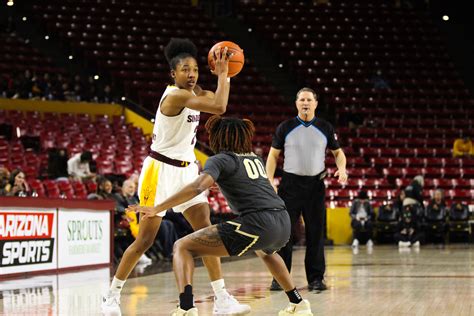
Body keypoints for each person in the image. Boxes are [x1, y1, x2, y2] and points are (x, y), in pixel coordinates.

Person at [101, 38, 250, 315]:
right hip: (159, 170)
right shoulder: (175, 96)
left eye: (194, 69)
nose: (191, 74)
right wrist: (224, 74)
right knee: (145, 239)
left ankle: (222, 298)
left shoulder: (194, 91)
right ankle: (111, 296)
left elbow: (212, 100)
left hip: (186, 169)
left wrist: (222, 76)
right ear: (173, 73)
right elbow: (219, 106)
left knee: (205, 232)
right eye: (184, 70)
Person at [128, 116, 314, 316]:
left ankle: (186, 308)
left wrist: (158, 207)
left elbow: (199, 186)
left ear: (220, 138)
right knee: (265, 251)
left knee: (181, 247)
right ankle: (297, 302)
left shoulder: (220, 159)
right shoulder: (254, 158)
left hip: (258, 222)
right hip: (283, 221)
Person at [265, 87, 348, 292]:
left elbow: (338, 153)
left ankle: (316, 279)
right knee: (284, 234)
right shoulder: (285, 127)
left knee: (316, 233)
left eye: (309, 100)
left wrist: (342, 169)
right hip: (290, 186)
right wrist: (269, 181)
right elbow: (273, 156)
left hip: (315, 187)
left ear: (315, 104)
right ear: (296, 103)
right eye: (301, 99)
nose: (305, 103)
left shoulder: (325, 127)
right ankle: (280, 278)